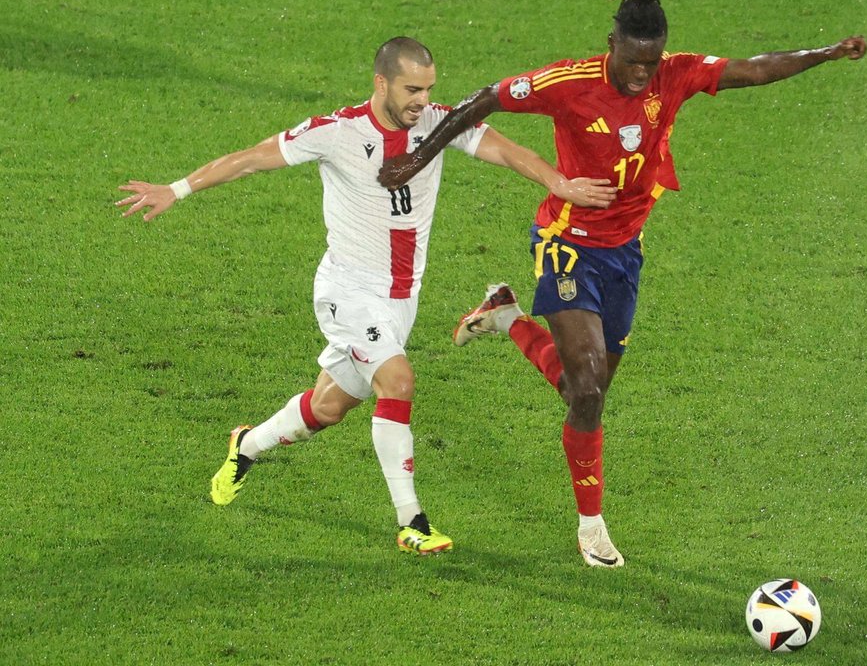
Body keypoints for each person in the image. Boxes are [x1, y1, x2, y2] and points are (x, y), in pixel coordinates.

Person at [378, 0, 867, 567]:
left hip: (625, 251)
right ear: (612, 44)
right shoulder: (568, 83)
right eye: (634, 62)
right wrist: (419, 157)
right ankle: (591, 527)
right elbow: (485, 98)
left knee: (586, 392)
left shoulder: (675, 74)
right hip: (567, 242)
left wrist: (829, 52)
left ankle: (507, 317)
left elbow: (755, 68)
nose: (643, 74)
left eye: (652, 62)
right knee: (586, 390)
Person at [116, 36, 615, 556]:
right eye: (411, 89)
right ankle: (412, 522)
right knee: (397, 381)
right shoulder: (337, 132)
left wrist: (559, 183)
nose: (422, 100)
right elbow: (249, 159)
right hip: (348, 291)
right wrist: (176, 189)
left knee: (328, 408)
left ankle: (247, 444)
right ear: (381, 83)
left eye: (428, 88)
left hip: (401, 300)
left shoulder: (436, 124)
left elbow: (507, 151)